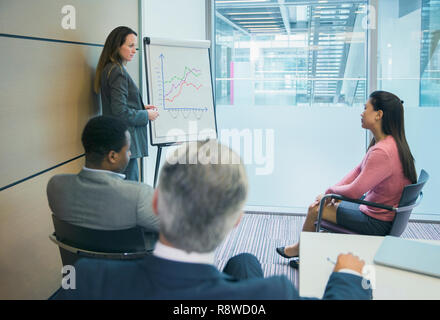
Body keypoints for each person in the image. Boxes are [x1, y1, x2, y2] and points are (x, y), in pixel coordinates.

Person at [51, 140, 372, 300]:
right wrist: (348, 275)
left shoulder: (87, 280)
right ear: (236, 221)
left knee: (244, 262)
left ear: (157, 202)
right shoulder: (273, 293)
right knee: (244, 265)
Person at [277, 91, 417, 268]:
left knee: (315, 209)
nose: (362, 112)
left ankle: (302, 253)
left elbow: (355, 192)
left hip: (376, 221)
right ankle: (304, 249)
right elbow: (358, 170)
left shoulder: (382, 151)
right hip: (380, 212)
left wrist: (329, 193)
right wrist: (333, 191)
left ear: (379, 115)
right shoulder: (388, 143)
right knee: (325, 203)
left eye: (366, 108)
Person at [47, 116, 159, 249]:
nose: (129, 154)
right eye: (127, 149)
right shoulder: (139, 195)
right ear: (113, 156)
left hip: (81, 267)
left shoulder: (56, 186)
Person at [94, 26, 159, 181]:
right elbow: (120, 113)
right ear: (117, 46)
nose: (134, 50)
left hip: (116, 141)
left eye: (134, 46)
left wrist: (141, 107)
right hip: (124, 143)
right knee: (131, 193)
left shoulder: (109, 69)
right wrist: (146, 115)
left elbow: (116, 105)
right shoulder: (117, 72)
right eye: (130, 46)